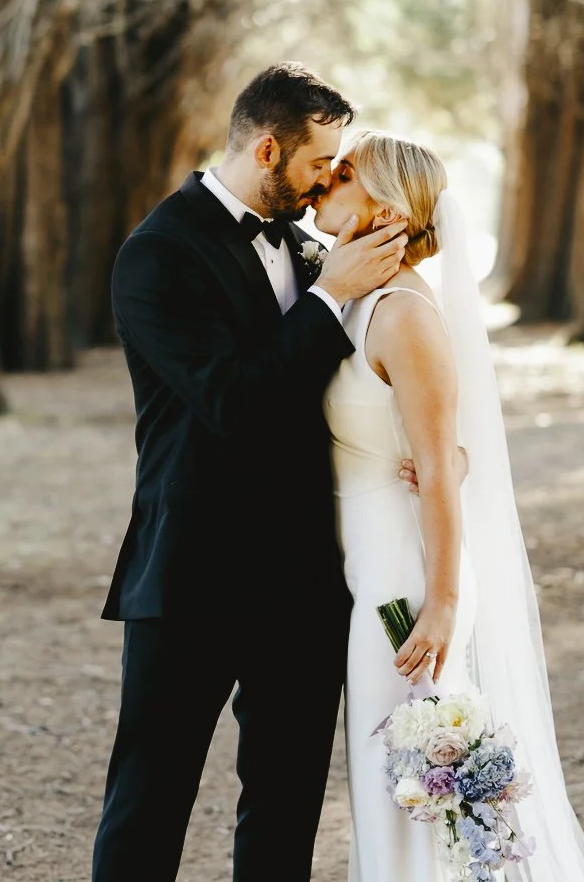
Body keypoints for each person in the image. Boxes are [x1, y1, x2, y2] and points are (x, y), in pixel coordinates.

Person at [93, 63, 406, 880]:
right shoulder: (157, 255)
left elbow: (347, 388)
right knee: (150, 799)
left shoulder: (310, 248)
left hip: (303, 575)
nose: (324, 186)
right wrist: (329, 299)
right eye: (317, 167)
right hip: (191, 568)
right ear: (268, 149)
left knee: (285, 802)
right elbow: (230, 401)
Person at [315, 131, 584, 881]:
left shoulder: (406, 315)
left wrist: (442, 603)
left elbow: (442, 472)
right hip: (368, 573)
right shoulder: (353, 297)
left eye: (343, 173)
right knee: (393, 793)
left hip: (404, 590)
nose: (324, 181)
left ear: (384, 209)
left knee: (412, 792)